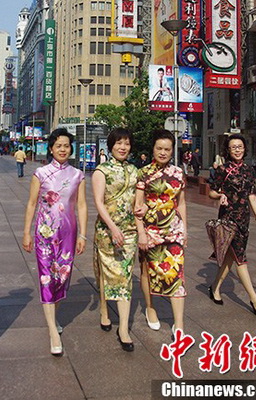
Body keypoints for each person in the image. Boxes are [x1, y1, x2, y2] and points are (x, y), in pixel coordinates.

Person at [22, 128, 87, 356]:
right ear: (51, 148)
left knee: (62, 277)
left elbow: (81, 206)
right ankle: (52, 330)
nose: (62, 149)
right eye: (58, 145)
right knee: (47, 278)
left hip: (68, 235)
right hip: (44, 234)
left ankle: (54, 317)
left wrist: (82, 235)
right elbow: (32, 204)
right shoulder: (40, 174)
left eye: (66, 145)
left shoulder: (77, 175)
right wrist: (27, 233)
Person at [207, 134, 256, 316]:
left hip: (244, 220)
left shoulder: (249, 170)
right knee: (240, 258)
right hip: (228, 219)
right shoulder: (222, 170)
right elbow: (212, 192)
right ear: (228, 149)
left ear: (244, 148)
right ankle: (255, 300)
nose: (237, 150)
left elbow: (252, 196)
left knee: (230, 257)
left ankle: (214, 287)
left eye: (240, 147)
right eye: (233, 147)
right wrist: (220, 196)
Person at [135, 129, 187, 336]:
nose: (163, 152)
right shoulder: (144, 173)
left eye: (167, 149)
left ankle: (179, 323)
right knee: (147, 270)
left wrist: (185, 230)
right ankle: (150, 307)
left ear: (172, 150)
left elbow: (181, 203)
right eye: (159, 148)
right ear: (153, 149)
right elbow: (138, 205)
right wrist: (141, 233)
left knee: (177, 274)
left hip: (173, 230)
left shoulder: (178, 173)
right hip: (150, 230)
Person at [92, 127, 138, 352]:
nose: (123, 147)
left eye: (127, 143)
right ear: (110, 145)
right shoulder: (101, 171)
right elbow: (99, 203)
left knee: (124, 276)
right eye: (119, 143)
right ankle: (103, 309)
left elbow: (139, 200)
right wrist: (112, 228)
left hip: (130, 231)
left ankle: (123, 329)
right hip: (107, 231)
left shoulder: (134, 169)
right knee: (107, 272)